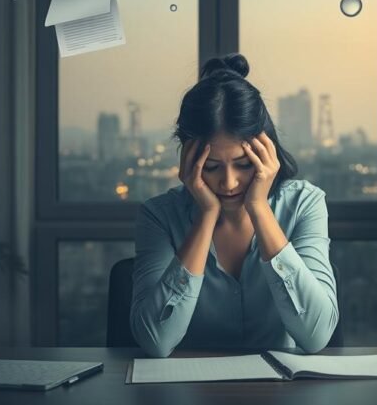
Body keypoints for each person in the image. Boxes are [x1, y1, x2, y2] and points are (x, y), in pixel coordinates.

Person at [130, 53, 338, 358]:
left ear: (265, 152)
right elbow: (155, 341)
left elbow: (316, 335)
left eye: (243, 164)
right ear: (188, 159)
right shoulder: (159, 216)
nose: (228, 183)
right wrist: (206, 217)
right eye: (212, 167)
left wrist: (259, 208)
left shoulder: (304, 204)